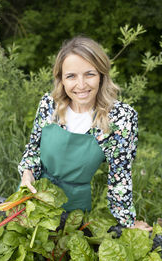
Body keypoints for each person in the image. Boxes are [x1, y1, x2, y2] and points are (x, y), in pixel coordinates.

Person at [18, 36, 152, 231]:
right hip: (33, 198)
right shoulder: (49, 105)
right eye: (71, 76)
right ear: (61, 79)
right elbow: (33, 150)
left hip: (74, 210)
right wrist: (27, 174)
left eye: (89, 74)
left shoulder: (120, 118)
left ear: (101, 75)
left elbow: (120, 177)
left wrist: (127, 224)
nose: (81, 85)